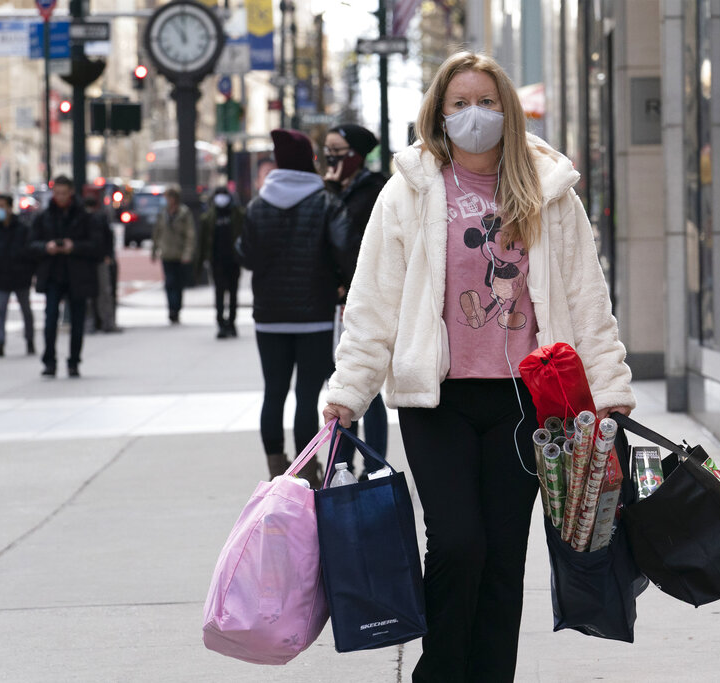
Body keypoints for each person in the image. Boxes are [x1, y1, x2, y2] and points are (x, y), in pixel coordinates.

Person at [322, 52, 635, 681]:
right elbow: (374, 302)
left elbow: (584, 295)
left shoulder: (549, 192)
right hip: (436, 400)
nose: (474, 115)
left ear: (508, 110)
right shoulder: (408, 191)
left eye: (487, 102)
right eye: (460, 103)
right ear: (439, 111)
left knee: (502, 557)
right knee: (458, 543)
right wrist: (348, 391)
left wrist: (608, 387)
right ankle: (439, 672)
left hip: (526, 403)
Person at [237, 129, 357, 483]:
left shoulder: (258, 206)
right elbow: (346, 250)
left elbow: (245, 254)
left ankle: (276, 466)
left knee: (273, 392)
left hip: (269, 317)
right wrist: (339, 282)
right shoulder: (325, 202)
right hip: (315, 316)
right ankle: (306, 469)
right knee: (307, 395)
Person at [323, 123, 390, 468]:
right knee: (342, 385)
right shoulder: (335, 189)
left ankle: (374, 464)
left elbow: (359, 248)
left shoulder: (376, 190)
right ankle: (341, 463)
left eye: (337, 150)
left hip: (363, 297)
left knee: (369, 388)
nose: (330, 156)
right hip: (338, 299)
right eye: (327, 149)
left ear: (357, 155)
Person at [28, 175, 101, 377]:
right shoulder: (44, 217)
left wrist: (74, 247)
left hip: (77, 275)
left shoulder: (84, 217)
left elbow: (96, 245)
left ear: (71, 193)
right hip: (52, 275)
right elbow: (31, 245)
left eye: (63, 193)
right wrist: (47, 247)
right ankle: (49, 361)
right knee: (50, 318)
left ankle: (74, 361)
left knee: (77, 322)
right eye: (56, 193)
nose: (59, 197)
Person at [0, 193, 35, 357]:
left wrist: (29, 272)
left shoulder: (22, 228)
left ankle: (30, 340)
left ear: (9, 207)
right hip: (2, 275)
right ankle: (0, 343)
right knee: (0, 310)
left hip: (20, 275)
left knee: (26, 310)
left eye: (1, 206)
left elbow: (29, 251)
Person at [200, 186, 244, 339]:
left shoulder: (237, 214)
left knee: (233, 294)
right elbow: (204, 241)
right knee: (219, 293)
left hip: (233, 261)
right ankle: (220, 323)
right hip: (217, 261)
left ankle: (231, 322)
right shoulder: (209, 217)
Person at [151, 186, 196, 324]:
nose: (167, 200)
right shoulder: (163, 212)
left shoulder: (184, 213)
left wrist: (187, 253)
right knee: (169, 282)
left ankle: (176, 309)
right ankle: (171, 309)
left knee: (178, 283)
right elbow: (157, 232)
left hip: (179, 253)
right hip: (166, 253)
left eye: (169, 197)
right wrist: (154, 250)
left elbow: (190, 234)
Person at [84, 196, 121, 333]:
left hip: (95, 259)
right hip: (95, 259)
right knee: (103, 293)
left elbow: (108, 237)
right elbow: (109, 237)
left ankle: (98, 323)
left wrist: (108, 255)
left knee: (100, 293)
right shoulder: (98, 218)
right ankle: (104, 323)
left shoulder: (94, 218)